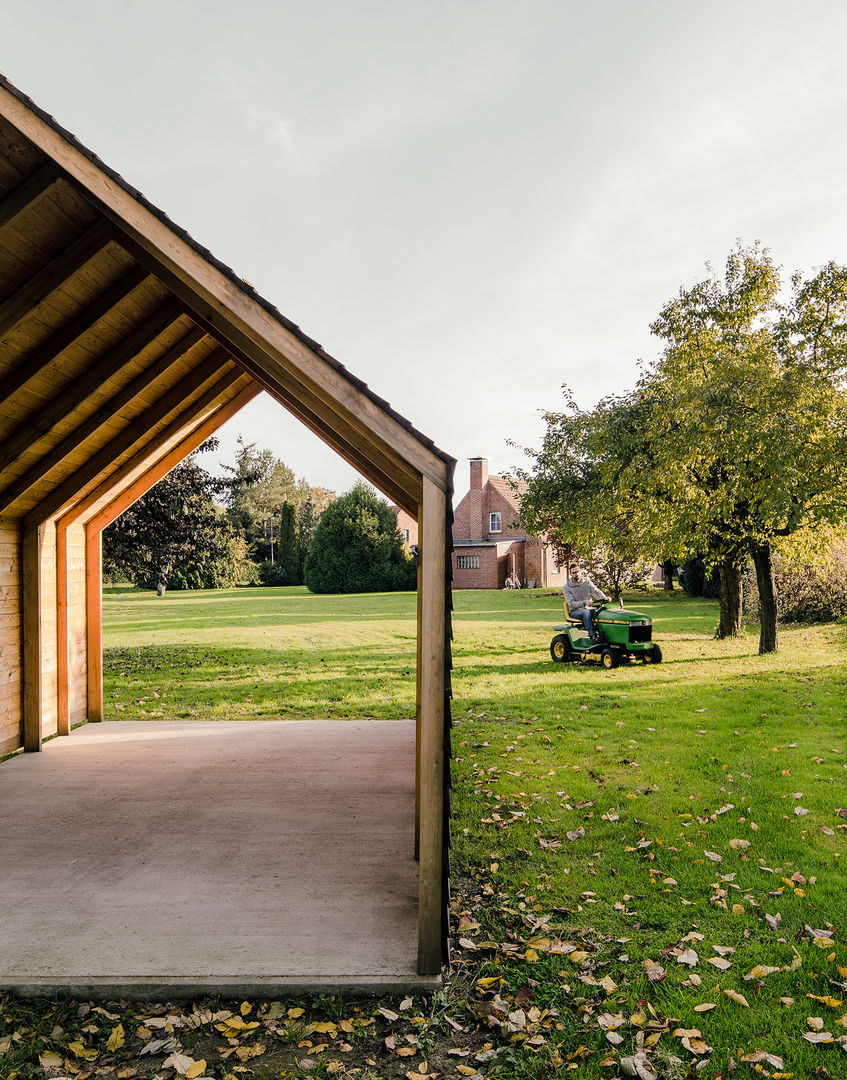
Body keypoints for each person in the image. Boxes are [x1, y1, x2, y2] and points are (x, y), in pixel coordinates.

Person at [563, 564, 609, 642]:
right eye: (574, 572)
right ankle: (593, 636)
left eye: (577, 571)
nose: (576, 574)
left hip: (589, 608)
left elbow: (596, 591)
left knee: (602, 612)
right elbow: (571, 604)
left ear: (580, 572)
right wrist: (585, 603)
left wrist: (605, 598)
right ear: (570, 574)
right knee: (586, 613)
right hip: (575, 611)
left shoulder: (586, 581)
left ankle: (605, 635)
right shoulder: (567, 587)